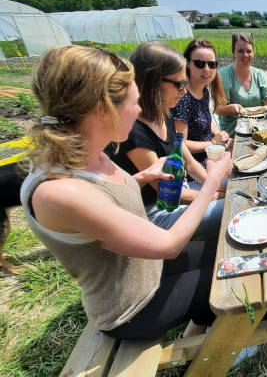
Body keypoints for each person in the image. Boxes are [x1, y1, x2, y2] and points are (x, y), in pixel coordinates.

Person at [20, 45, 232, 340]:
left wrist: (143, 176)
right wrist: (212, 184)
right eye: (134, 103)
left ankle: (196, 332)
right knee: (232, 274)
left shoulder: (86, 153)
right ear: (101, 108)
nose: (139, 109)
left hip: (147, 268)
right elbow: (169, 244)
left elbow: (109, 197)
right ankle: (215, 349)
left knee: (228, 252)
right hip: (131, 307)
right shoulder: (59, 192)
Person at [108, 41, 225, 237]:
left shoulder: (163, 113)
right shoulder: (134, 131)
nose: (185, 90)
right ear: (153, 82)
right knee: (233, 208)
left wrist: (218, 186)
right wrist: (213, 194)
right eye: (180, 84)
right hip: (157, 212)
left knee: (234, 187)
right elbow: (168, 193)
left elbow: (189, 163)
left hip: (184, 192)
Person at [171, 39, 232, 167]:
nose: (206, 69)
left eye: (211, 64)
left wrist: (218, 134)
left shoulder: (204, 89)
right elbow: (181, 144)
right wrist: (213, 142)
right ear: (187, 63)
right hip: (196, 168)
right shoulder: (182, 98)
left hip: (212, 157)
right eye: (199, 64)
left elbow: (206, 119)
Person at [216, 32, 267, 136]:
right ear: (233, 52)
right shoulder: (224, 75)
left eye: (249, 51)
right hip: (233, 132)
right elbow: (218, 109)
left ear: (253, 52)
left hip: (259, 128)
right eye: (240, 51)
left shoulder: (259, 74)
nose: (246, 55)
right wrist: (231, 108)